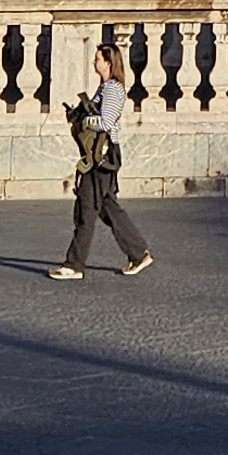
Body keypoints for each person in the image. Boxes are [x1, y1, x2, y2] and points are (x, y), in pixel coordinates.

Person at [52, 35, 153, 280]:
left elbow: (107, 122)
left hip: (102, 155)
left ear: (108, 62)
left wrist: (85, 120)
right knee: (107, 208)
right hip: (102, 154)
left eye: (97, 59)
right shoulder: (106, 88)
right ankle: (138, 253)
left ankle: (74, 264)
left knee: (86, 209)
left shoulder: (113, 89)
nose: (94, 63)